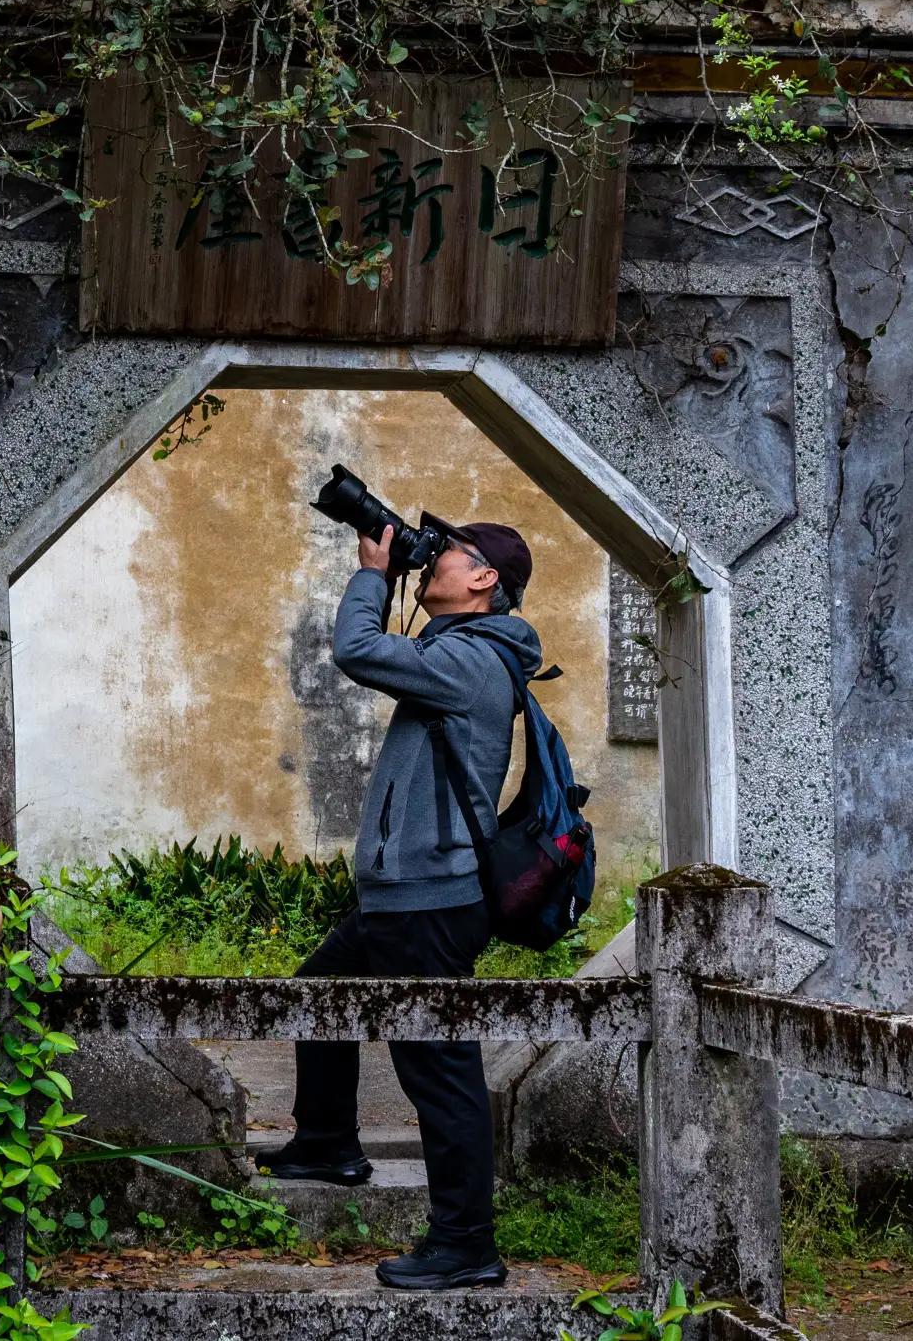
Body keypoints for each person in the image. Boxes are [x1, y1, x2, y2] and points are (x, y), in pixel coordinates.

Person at [256, 513, 538, 1292]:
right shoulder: (457, 651)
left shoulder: (474, 661)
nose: (431, 557)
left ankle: (464, 1243)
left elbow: (356, 649)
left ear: (483, 578)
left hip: (431, 899)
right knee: (318, 994)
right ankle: (324, 1140)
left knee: (438, 1071)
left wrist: (374, 574)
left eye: (446, 550)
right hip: (402, 895)